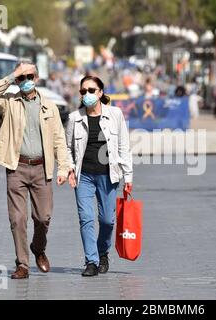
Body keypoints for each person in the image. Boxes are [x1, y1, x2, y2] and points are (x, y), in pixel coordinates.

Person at [0, 60, 69, 279]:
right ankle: (22, 264)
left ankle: (38, 249)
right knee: (18, 218)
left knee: (43, 217)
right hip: (17, 167)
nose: (25, 81)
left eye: (29, 77)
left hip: (42, 169)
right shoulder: (10, 102)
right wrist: (12, 76)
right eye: (22, 78)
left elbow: (59, 139)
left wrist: (64, 167)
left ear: (37, 78)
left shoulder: (49, 105)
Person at [66, 75, 133, 277]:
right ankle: (91, 262)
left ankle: (103, 252)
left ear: (101, 92)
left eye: (91, 90)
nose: (87, 94)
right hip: (83, 176)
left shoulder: (115, 114)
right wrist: (69, 168)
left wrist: (128, 178)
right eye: (83, 91)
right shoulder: (74, 118)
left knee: (107, 220)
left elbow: (124, 146)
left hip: (108, 175)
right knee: (86, 218)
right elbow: (67, 148)